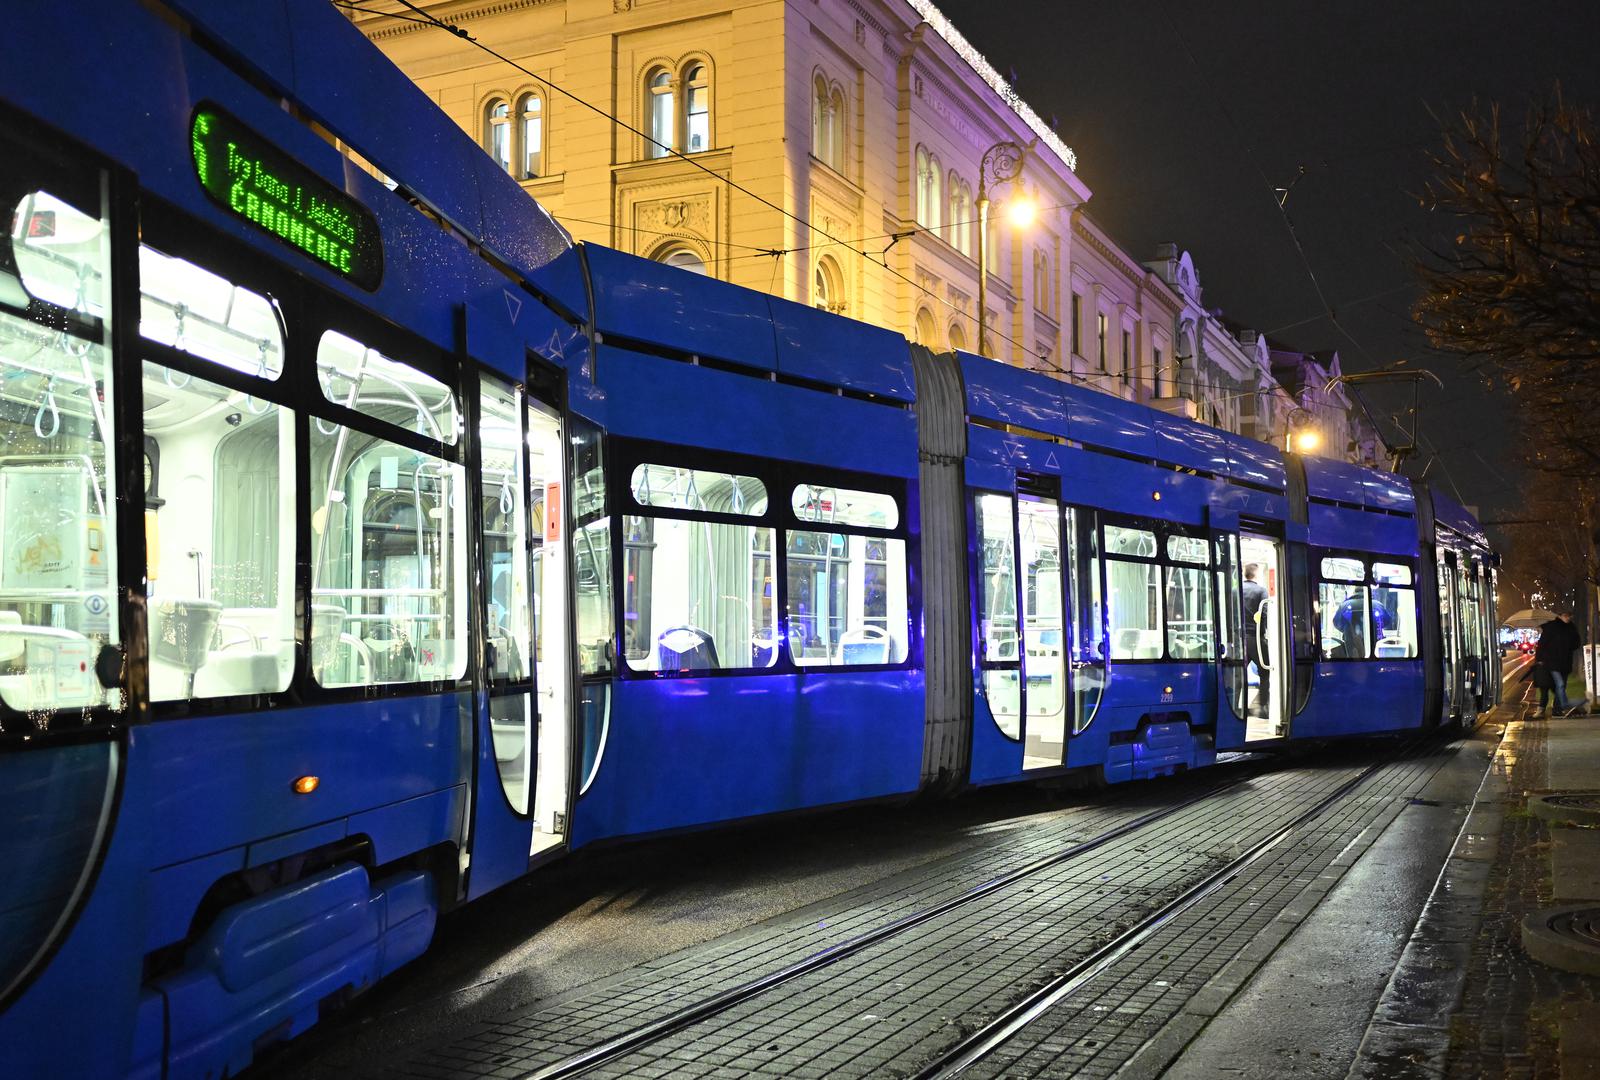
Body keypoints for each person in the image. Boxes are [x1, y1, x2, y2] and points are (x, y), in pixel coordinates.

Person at [1534, 611, 1584, 717]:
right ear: (1560, 616)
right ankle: (1564, 705)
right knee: (1560, 684)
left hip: (1565, 662)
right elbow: (1542, 644)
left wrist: (1568, 645)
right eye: (1566, 615)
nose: (1568, 618)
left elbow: (1576, 643)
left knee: (1560, 686)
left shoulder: (1571, 628)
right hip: (1553, 662)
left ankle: (1557, 709)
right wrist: (1540, 659)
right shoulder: (1551, 627)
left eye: (1569, 616)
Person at [1241, 563, 1269, 716]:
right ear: (1256, 574)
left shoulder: (1235, 590)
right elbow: (1265, 613)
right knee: (1265, 673)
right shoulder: (1261, 591)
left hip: (1240, 640)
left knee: (1239, 674)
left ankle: (1239, 707)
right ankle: (1263, 707)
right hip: (1256, 639)